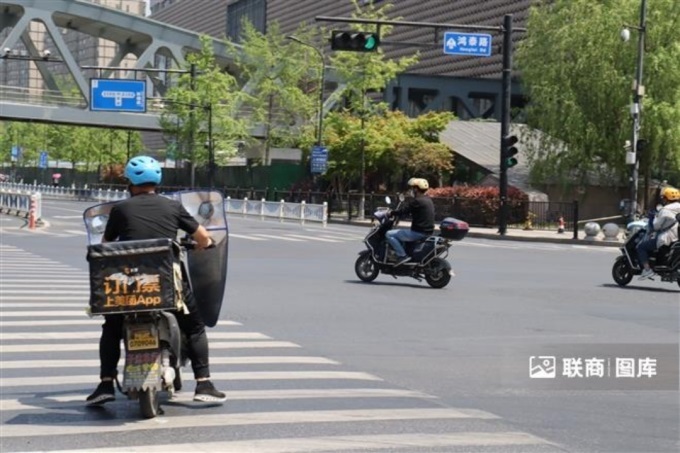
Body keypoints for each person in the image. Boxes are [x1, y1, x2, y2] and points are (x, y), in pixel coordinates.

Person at [86, 155, 227, 405]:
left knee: (111, 328)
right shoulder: (173, 207)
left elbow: (107, 245)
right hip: (167, 287)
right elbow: (203, 237)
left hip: (127, 289)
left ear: (129, 183)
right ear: (157, 182)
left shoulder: (120, 209)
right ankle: (204, 383)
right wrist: (201, 244)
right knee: (195, 326)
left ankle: (106, 383)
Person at [386, 177, 435, 266]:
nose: (411, 190)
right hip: (428, 232)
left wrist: (391, 213)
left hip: (418, 233)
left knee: (389, 234)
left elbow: (404, 210)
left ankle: (402, 255)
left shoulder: (417, 201)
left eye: (412, 188)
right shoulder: (428, 200)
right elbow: (414, 212)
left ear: (416, 189)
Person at [636, 186, 680, 280]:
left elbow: (656, 226)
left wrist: (652, 217)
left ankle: (647, 270)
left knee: (641, 247)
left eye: (664, 198)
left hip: (667, 237)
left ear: (666, 198)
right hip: (677, 237)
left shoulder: (665, 210)